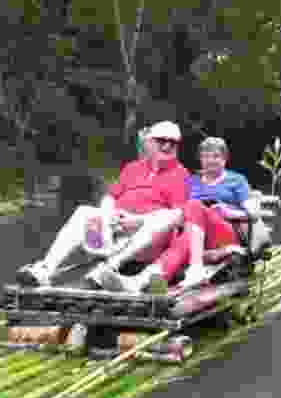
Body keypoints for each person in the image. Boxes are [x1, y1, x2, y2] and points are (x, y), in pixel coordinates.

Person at [16, 121, 190, 288]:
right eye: (161, 141)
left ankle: (109, 267)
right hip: (113, 231)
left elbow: (178, 218)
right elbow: (110, 197)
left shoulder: (181, 175)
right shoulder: (132, 168)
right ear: (149, 143)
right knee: (84, 212)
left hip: (147, 241)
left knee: (168, 216)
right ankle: (45, 269)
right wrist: (108, 216)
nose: (167, 146)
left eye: (173, 143)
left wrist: (138, 221)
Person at [98, 136, 263, 293]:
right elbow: (178, 211)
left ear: (225, 159)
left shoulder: (236, 180)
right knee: (181, 232)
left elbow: (254, 213)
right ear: (201, 159)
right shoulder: (192, 181)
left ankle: (196, 269)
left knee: (193, 206)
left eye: (216, 156)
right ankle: (139, 282)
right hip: (196, 234)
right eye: (206, 157)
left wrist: (229, 212)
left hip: (224, 232)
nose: (211, 161)